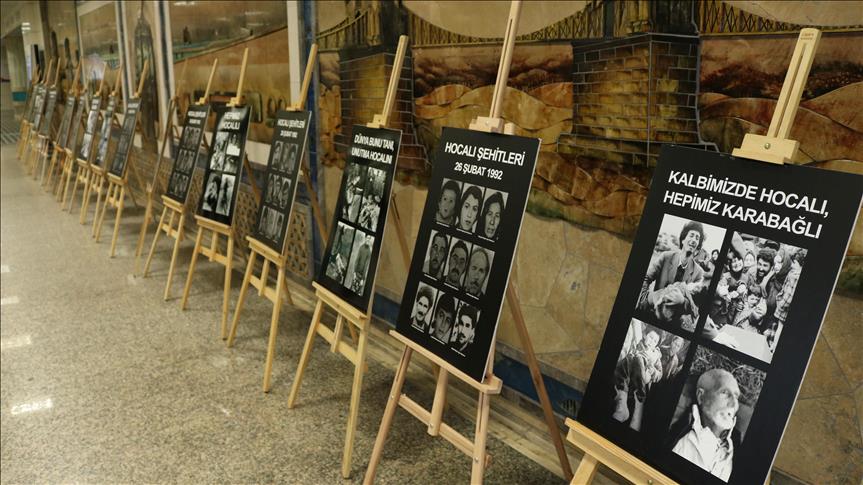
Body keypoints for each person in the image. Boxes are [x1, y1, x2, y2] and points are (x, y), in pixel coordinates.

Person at [670, 369, 740, 481]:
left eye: (736, 396)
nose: (734, 404)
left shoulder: (736, 451)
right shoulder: (684, 445)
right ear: (701, 396)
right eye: (725, 392)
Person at [639, 221, 705, 312]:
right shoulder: (666, 257)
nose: (694, 240)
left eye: (697, 238)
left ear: (698, 246)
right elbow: (646, 278)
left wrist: (682, 302)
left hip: (676, 318)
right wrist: (646, 300)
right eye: (691, 235)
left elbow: (695, 304)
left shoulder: (699, 272)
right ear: (683, 240)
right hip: (653, 311)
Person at [612, 329, 664, 431]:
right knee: (631, 358)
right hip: (631, 375)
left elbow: (660, 374)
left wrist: (653, 370)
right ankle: (622, 402)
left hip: (644, 378)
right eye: (651, 337)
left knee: (637, 358)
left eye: (655, 341)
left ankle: (639, 400)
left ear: (656, 344)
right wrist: (637, 354)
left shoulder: (656, 355)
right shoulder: (637, 344)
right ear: (645, 336)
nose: (652, 342)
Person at [774, 249, 804, 326]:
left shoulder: (795, 276)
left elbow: (790, 294)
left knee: (780, 326)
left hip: (783, 308)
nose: (791, 265)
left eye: (793, 263)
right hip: (782, 304)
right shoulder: (792, 273)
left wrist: (781, 304)